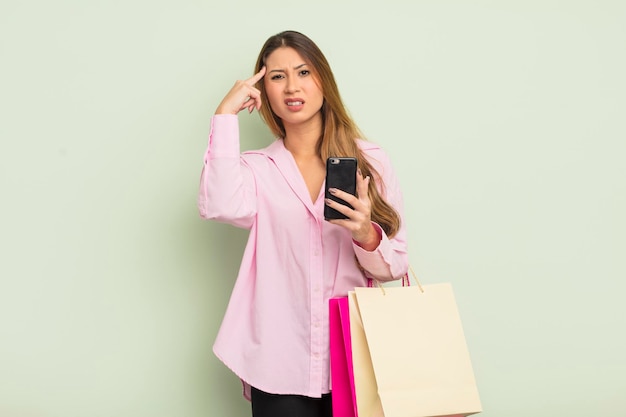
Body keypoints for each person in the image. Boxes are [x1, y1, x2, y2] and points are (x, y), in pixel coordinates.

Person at [198, 30, 408, 417]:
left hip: (356, 354)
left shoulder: (370, 161)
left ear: (323, 81)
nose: (292, 87)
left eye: (304, 72)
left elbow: (395, 265)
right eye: (277, 77)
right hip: (279, 358)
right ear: (264, 93)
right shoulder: (256, 168)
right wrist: (224, 116)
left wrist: (364, 233)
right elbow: (220, 206)